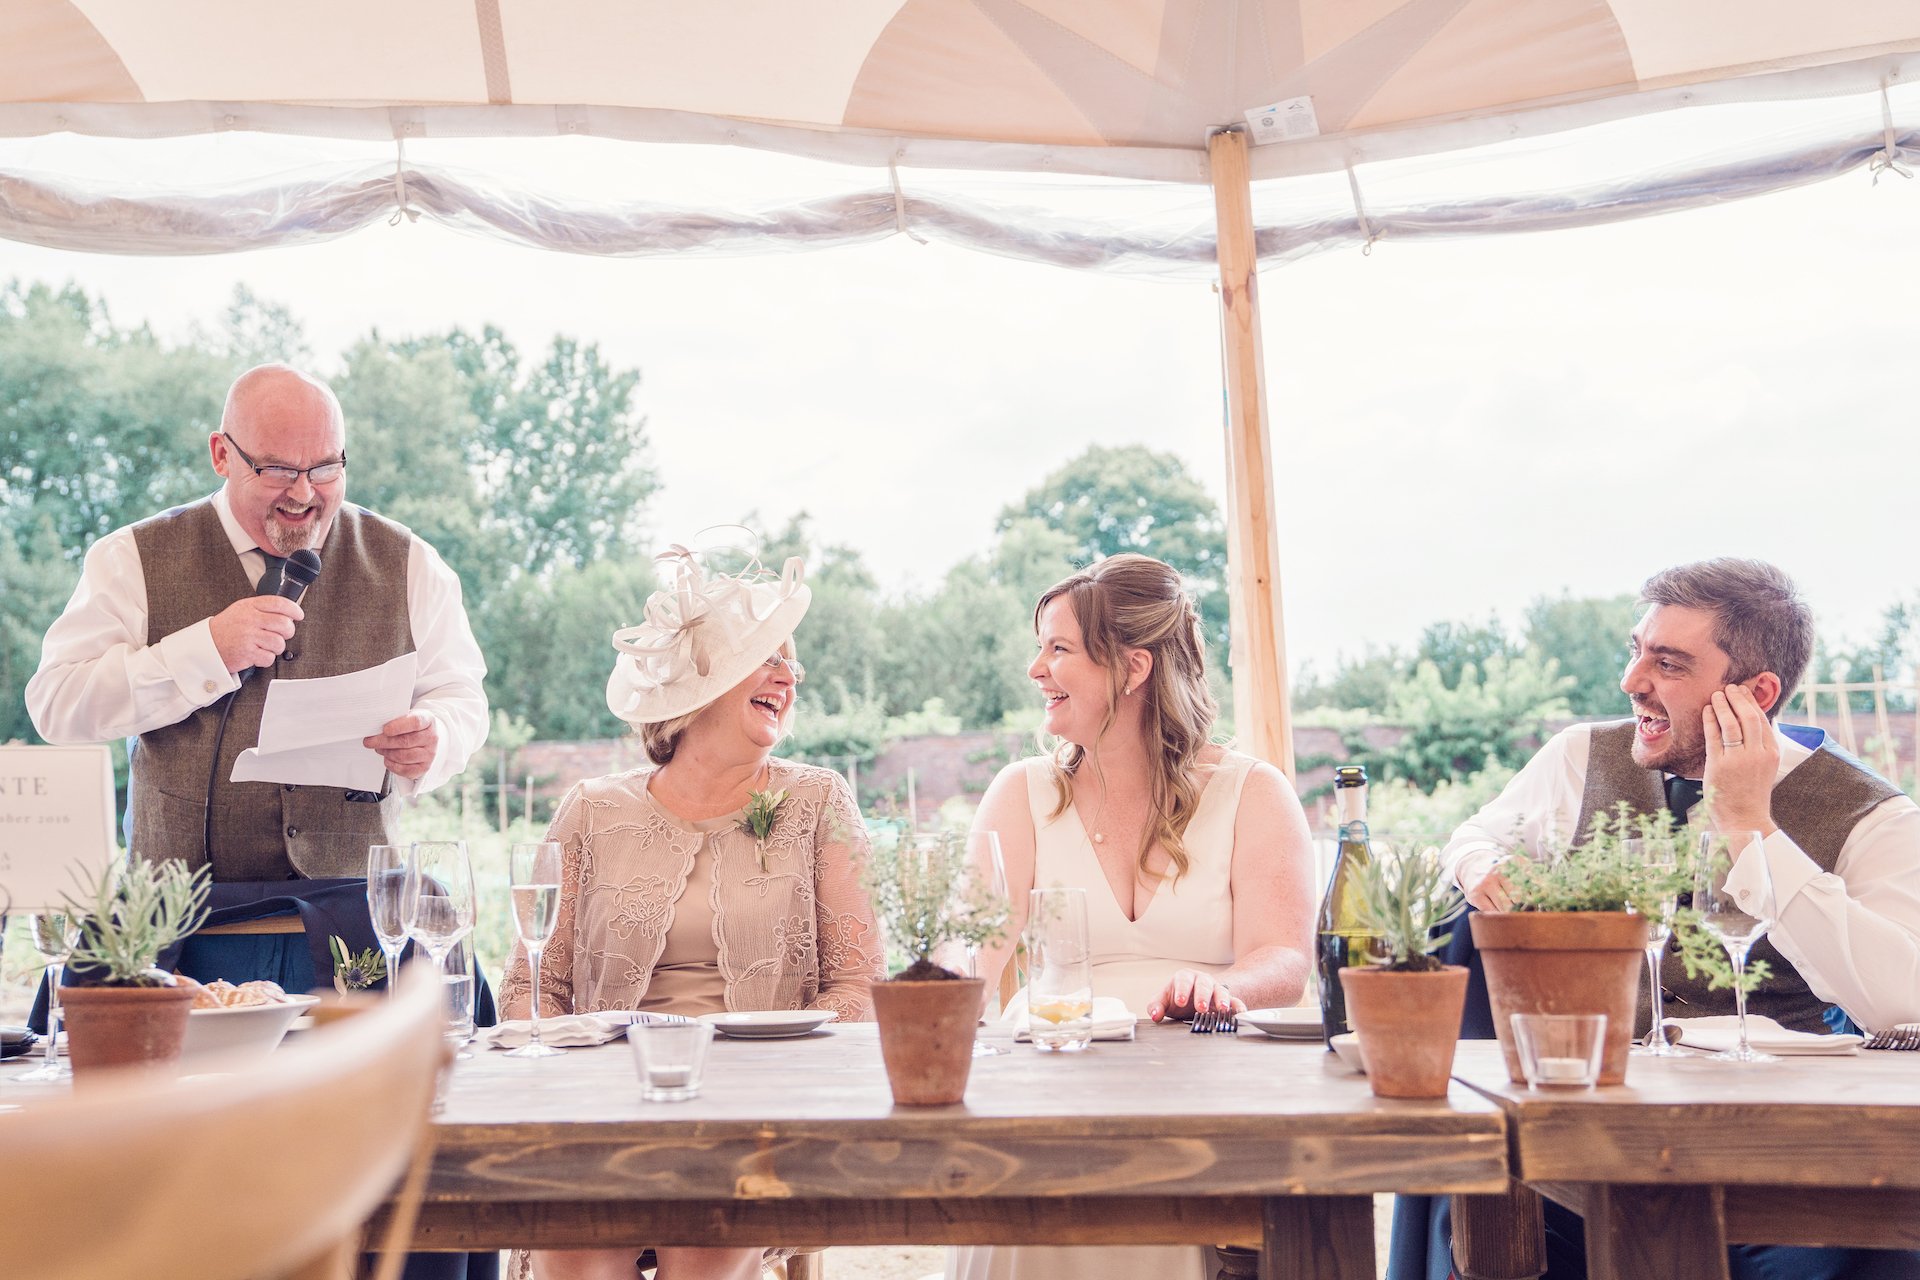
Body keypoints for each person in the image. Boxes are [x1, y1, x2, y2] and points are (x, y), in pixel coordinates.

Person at [1393, 557, 1920, 1280]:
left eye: (1668, 663)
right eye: (1635, 650)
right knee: (1490, 1221)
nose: (1632, 680)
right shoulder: (1583, 755)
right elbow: (1478, 834)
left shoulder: (1877, 818)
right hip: (1585, 1144)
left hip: (1776, 1157)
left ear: (1756, 694)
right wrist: (1482, 868)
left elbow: (1902, 1004)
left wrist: (1750, 826)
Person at [25, 363, 488, 989]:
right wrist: (205, 650)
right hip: (179, 933)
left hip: (354, 924)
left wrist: (437, 735)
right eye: (276, 469)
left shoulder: (410, 563)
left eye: (325, 467)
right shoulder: (129, 558)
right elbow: (57, 704)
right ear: (222, 454)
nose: (304, 492)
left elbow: (461, 695)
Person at [502, 547, 883, 1280]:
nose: (789, 675)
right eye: (765, 657)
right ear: (697, 682)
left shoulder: (817, 802)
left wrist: (772, 1079)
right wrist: (567, 1072)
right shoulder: (590, 810)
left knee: (707, 1240)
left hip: (754, 1119)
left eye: (791, 661)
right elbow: (531, 984)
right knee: (578, 1254)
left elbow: (858, 987)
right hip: (604, 1110)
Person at [949, 553, 1317, 1280]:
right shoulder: (1020, 792)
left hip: (1203, 1067)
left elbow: (1283, 956)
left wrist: (1226, 991)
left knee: (1159, 1178)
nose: (1035, 670)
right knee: (1036, 1182)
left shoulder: (1254, 791)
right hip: (1054, 1070)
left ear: (1132, 667)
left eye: (1058, 649)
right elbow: (972, 954)